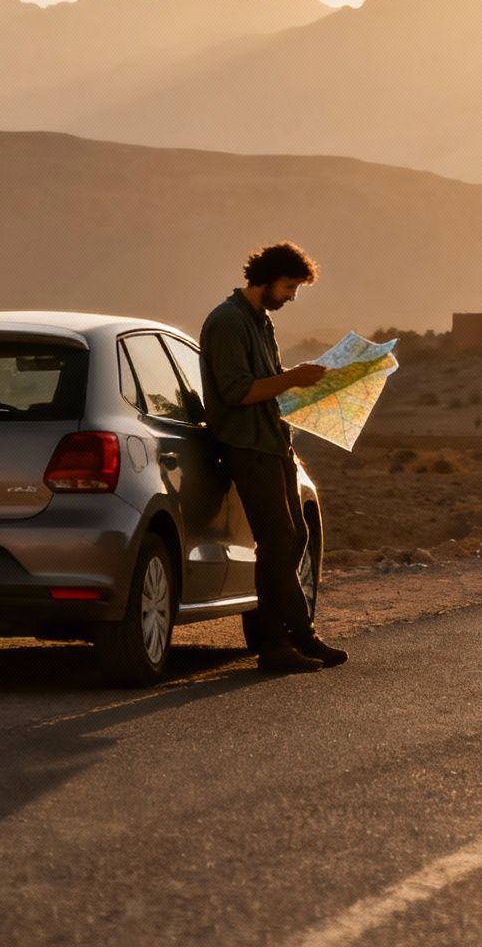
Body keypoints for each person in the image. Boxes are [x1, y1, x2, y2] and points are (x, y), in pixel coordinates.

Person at [199, 241, 349, 674]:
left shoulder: (260, 321)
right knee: (278, 540)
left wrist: (299, 381)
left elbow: (268, 383)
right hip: (247, 446)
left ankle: (281, 641)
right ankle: (293, 639)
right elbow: (239, 391)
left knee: (294, 537)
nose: (291, 296)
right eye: (288, 286)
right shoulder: (228, 322)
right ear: (265, 278)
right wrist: (291, 378)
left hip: (274, 442)